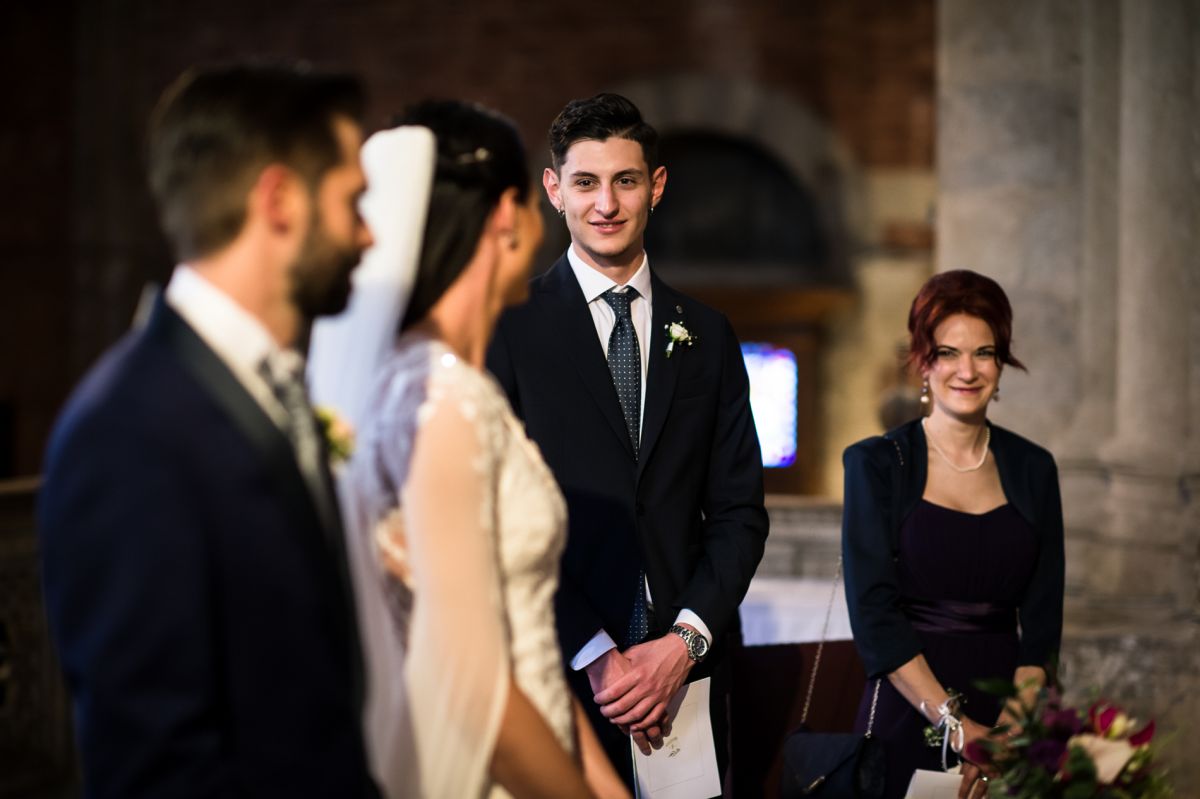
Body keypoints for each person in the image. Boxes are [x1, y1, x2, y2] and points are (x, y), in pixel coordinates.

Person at [37, 63, 378, 798]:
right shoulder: (125, 433)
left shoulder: (274, 389)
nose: (368, 234)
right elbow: (154, 766)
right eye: (352, 200)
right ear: (279, 201)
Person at [328, 101, 627, 799]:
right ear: (506, 217)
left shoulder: (463, 392)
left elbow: (522, 643)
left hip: (546, 733)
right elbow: (471, 682)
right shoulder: (440, 405)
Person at [486, 93, 769, 789]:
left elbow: (739, 511)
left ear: (657, 185)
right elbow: (494, 516)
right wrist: (595, 654)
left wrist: (684, 642)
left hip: (687, 680)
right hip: (559, 670)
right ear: (554, 189)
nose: (606, 203)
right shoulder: (508, 328)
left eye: (626, 180)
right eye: (586, 182)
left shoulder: (708, 334)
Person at [841, 270, 1065, 799]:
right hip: (909, 710)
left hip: (1009, 718)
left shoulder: (1035, 468)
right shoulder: (876, 464)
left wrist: (1007, 735)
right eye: (948, 353)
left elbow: (1042, 623)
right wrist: (959, 728)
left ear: (1001, 362)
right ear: (924, 360)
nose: (967, 371)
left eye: (984, 353)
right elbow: (874, 616)